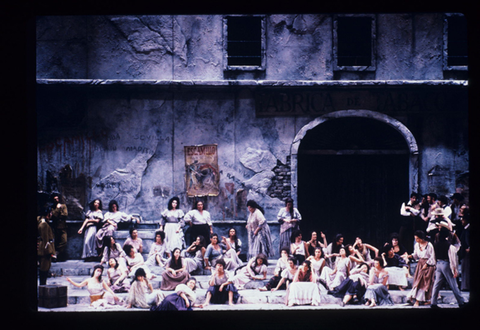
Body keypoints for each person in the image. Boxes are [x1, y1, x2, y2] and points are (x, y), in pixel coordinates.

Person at [430, 221, 466, 308]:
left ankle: (433, 303)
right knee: (453, 284)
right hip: (446, 264)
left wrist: (435, 264)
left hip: (438, 264)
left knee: (436, 284)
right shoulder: (449, 246)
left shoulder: (436, 244)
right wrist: (455, 269)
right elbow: (452, 259)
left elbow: (433, 255)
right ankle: (461, 302)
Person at [405, 230, 436, 307]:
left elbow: (432, 257)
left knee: (424, 283)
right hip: (420, 264)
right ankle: (416, 298)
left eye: (417, 238)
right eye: (415, 238)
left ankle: (419, 300)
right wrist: (410, 256)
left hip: (428, 265)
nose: (416, 240)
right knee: (417, 282)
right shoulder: (417, 245)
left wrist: (427, 264)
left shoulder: (429, 245)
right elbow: (415, 255)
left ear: (422, 238)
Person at [37, 207, 55, 285]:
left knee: (44, 268)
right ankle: (43, 285)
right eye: (50, 213)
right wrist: (50, 251)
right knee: (44, 268)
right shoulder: (44, 224)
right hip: (44, 250)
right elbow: (45, 240)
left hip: (43, 248)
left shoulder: (42, 222)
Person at [51, 193, 68, 261]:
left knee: (64, 241)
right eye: (55, 199)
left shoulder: (63, 206)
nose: (56, 200)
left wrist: (58, 214)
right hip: (55, 227)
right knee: (55, 241)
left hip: (63, 226)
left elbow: (65, 214)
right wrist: (57, 209)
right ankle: (55, 255)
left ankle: (56, 252)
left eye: (57, 199)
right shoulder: (53, 207)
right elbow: (54, 216)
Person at [459, 210, 470, 291]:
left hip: (467, 253)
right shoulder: (465, 229)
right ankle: (465, 286)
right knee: (464, 269)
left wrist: (469, 248)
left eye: (463, 220)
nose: (462, 221)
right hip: (464, 252)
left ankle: (466, 286)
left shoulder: (469, 229)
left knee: (466, 269)